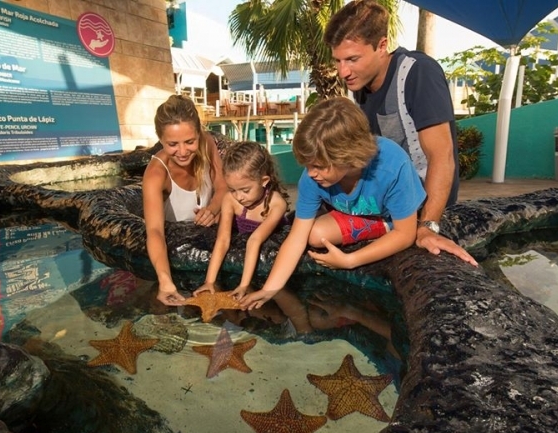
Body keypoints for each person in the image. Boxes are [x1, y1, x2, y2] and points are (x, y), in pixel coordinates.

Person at [240, 97, 476, 310]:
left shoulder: (391, 166)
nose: (311, 173)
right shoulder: (312, 177)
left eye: (318, 166)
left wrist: (350, 260)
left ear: (349, 157)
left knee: (389, 230)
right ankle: (376, 227)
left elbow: (406, 235)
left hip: (394, 218)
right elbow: (296, 237)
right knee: (314, 235)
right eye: (307, 165)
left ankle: (384, 226)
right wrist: (269, 289)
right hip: (358, 214)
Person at [324, 0, 461, 257]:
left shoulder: (417, 72)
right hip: (386, 200)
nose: (343, 72)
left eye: (352, 59)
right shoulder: (360, 87)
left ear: (382, 46)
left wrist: (427, 226)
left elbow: (442, 157)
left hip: (420, 206)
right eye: (338, 61)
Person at [143, 95, 227, 305]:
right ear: (160, 139)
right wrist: (164, 280)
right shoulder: (155, 174)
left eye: (190, 142)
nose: (182, 152)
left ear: (199, 134)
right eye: (172, 144)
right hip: (176, 254)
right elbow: (154, 231)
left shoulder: (207, 143)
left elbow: (222, 186)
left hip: (211, 248)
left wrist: (212, 209)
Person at [193, 141, 290, 300]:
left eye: (245, 190)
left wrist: (244, 285)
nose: (239, 197)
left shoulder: (277, 204)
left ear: (264, 181)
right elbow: (223, 240)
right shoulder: (230, 200)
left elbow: (255, 240)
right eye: (232, 189)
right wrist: (210, 281)